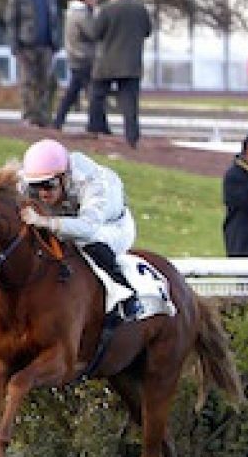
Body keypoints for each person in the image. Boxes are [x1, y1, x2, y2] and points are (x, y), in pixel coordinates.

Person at [17, 137, 170, 323]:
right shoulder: (37, 175)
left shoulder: (93, 183)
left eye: (49, 185)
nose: (42, 193)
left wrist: (45, 221)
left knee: (84, 240)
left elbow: (87, 228)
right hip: (71, 217)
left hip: (112, 227)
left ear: (64, 178)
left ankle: (124, 293)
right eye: (36, 186)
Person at [86, 0, 152, 147]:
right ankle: (132, 137)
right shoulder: (140, 9)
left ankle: (95, 128)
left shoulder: (107, 9)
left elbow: (95, 33)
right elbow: (147, 31)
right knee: (130, 102)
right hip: (131, 63)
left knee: (97, 95)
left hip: (108, 62)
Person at [5, 0, 59, 128]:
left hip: (46, 45)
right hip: (25, 45)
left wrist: (56, 41)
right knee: (27, 82)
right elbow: (12, 21)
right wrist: (14, 45)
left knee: (45, 82)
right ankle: (28, 116)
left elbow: (55, 19)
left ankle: (43, 116)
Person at [51, 0, 103, 133]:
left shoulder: (73, 13)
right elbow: (93, 32)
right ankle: (95, 124)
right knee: (93, 92)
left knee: (74, 91)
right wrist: (97, 17)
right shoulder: (82, 15)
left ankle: (59, 120)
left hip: (76, 57)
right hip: (83, 57)